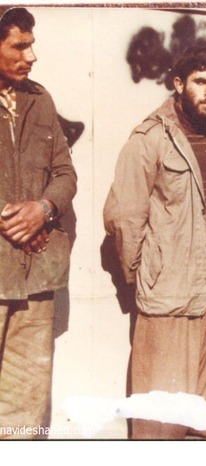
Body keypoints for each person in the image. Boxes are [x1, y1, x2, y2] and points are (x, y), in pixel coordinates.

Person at [103, 45, 206, 439]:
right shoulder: (149, 137)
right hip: (170, 272)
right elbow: (123, 215)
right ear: (178, 84)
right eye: (200, 82)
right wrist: (144, 272)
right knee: (164, 387)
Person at [0, 7, 77, 438]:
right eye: (19, 46)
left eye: (31, 45)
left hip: (35, 280)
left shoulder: (39, 99)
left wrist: (43, 210)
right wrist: (14, 219)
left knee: (24, 415)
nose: (31, 56)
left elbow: (65, 174)